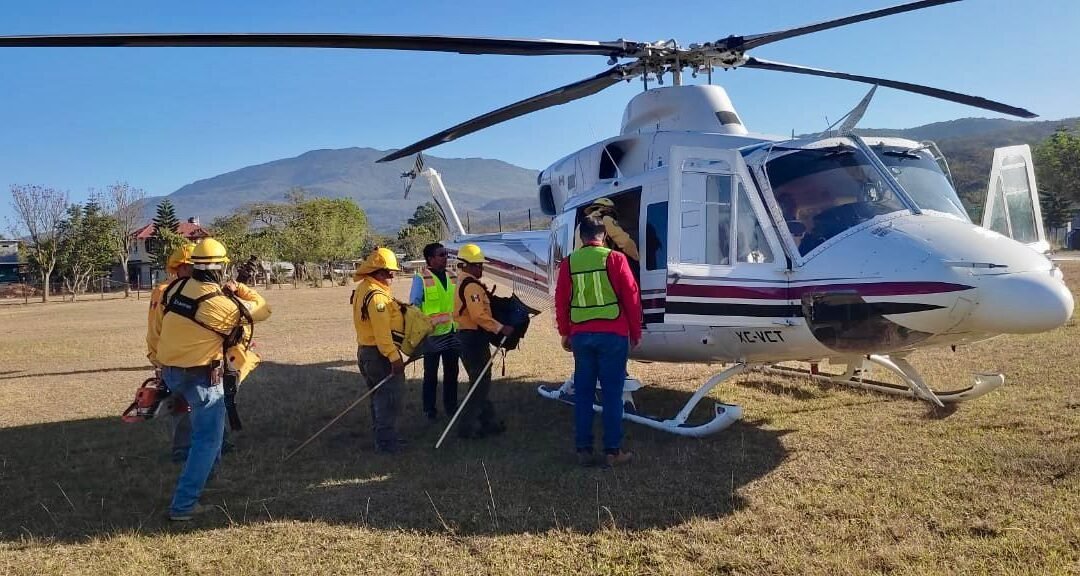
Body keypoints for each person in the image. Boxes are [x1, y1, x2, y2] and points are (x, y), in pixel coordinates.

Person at [157, 237, 270, 521]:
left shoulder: (174, 288)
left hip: (170, 371)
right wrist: (239, 289)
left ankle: (209, 476)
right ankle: (183, 506)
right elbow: (263, 309)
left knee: (204, 433)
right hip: (200, 376)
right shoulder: (221, 304)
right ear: (221, 269)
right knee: (207, 439)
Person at [556, 215, 641, 467]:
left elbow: (561, 301)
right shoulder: (615, 259)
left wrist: (565, 332)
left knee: (583, 393)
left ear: (581, 237)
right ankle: (613, 452)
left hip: (581, 336)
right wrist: (635, 333)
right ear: (603, 236)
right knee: (612, 395)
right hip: (613, 335)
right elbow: (632, 298)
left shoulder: (569, 263)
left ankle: (583, 449)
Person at [452, 243, 514, 439]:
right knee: (480, 383)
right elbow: (478, 315)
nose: (481, 268)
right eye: (478, 265)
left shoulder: (463, 282)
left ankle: (489, 423)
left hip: (468, 337)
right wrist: (500, 328)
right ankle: (467, 428)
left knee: (480, 381)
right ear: (468, 265)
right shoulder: (471, 286)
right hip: (473, 339)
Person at [352, 247, 406, 453]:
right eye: (388, 271)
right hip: (379, 354)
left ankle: (383, 437)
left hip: (366, 351)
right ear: (377, 272)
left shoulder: (364, 288)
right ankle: (386, 443)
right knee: (388, 398)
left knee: (377, 397)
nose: (393, 275)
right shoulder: (377, 298)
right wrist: (394, 357)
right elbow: (382, 334)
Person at [146, 241, 196, 463]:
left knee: (212, 401)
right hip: (175, 359)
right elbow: (155, 329)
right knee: (182, 403)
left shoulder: (199, 289)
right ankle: (182, 450)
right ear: (182, 267)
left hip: (200, 355)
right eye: (195, 265)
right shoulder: (164, 292)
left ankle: (218, 442)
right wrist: (158, 361)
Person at [409, 242, 459, 421]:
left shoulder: (453, 276)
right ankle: (429, 409)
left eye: (446, 254)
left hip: (453, 332)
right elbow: (414, 306)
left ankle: (451, 406)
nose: (445, 257)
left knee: (452, 373)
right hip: (432, 336)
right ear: (430, 258)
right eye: (441, 254)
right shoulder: (420, 279)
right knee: (430, 374)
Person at [574, 197, 640, 262]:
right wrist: (638, 257)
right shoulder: (605, 219)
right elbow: (625, 242)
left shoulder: (579, 225)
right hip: (600, 264)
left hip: (581, 265)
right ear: (608, 211)